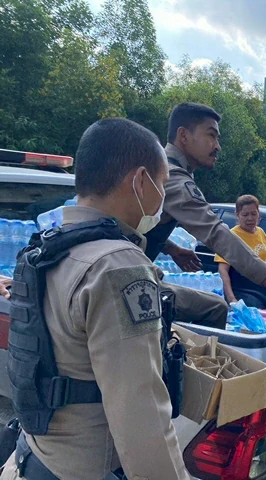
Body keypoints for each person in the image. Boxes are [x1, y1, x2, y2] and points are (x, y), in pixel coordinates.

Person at [1, 118, 189, 479]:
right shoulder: (119, 266)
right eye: (162, 184)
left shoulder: (49, 247)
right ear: (140, 181)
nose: (163, 199)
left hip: (34, 457)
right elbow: (141, 415)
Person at [145, 102, 266, 322]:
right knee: (215, 308)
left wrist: (172, 248)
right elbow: (216, 232)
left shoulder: (162, 169)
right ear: (183, 135)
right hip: (127, 275)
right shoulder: (173, 177)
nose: (218, 146)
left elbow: (140, 224)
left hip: (133, 268)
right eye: (211, 136)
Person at [215, 195, 266, 303]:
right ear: (237, 215)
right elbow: (223, 271)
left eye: (253, 214)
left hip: (261, 292)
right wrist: (232, 299)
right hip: (242, 292)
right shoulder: (231, 236)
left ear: (259, 214)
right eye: (245, 214)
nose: (250, 218)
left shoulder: (261, 233)